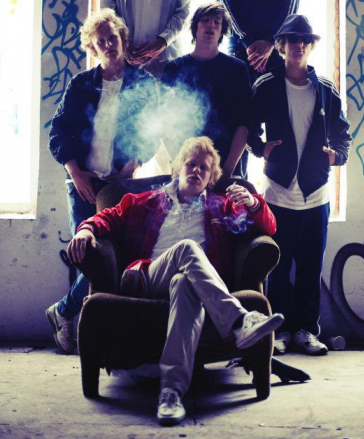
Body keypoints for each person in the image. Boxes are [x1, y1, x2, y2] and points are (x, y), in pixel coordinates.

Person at [67, 136, 283, 426]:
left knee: (183, 282)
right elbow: (110, 216)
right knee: (186, 248)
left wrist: (254, 204)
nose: (196, 171)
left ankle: (171, 392)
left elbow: (268, 228)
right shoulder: (148, 200)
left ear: (211, 177)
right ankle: (238, 320)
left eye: (204, 168)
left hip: (197, 286)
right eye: (191, 164)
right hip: (146, 279)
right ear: (179, 167)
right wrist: (86, 230)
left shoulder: (222, 206)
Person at [46, 8, 158, 354]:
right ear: (92, 47)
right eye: (101, 41)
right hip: (82, 184)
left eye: (113, 38)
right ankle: (74, 318)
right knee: (86, 253)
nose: (109, 44)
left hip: (119, 185)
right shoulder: (81, 84)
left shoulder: (144, 83)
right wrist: (75, 172)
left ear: (122, 39)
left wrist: (129, 169)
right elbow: (58, 131)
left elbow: (151, 135)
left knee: (113, 255)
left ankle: (64, 312)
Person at [248, 14, 352, 356]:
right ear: (281, 45)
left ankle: (306, 331)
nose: (299, 45)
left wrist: (335, 156)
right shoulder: (266, 85)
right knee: (277, 268)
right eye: (293, 40)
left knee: (310, 268)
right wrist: (259, 148)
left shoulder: (325, 89)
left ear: (311, 47)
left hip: (316, 195)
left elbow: (343, 134)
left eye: (305, 41)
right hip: (278, 193)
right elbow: (247, 126)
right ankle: (278, 330)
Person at [162, 2, 251, 177]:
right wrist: (181, 166)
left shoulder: (237, 70)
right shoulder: (173, 69)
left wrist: (226, 171)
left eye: (217, 22)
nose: (211, 25)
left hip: (228, 169)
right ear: (195, 28)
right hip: (186, 170)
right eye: (205, 20)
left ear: (222, 31)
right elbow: (165, 124)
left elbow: (244, 124)